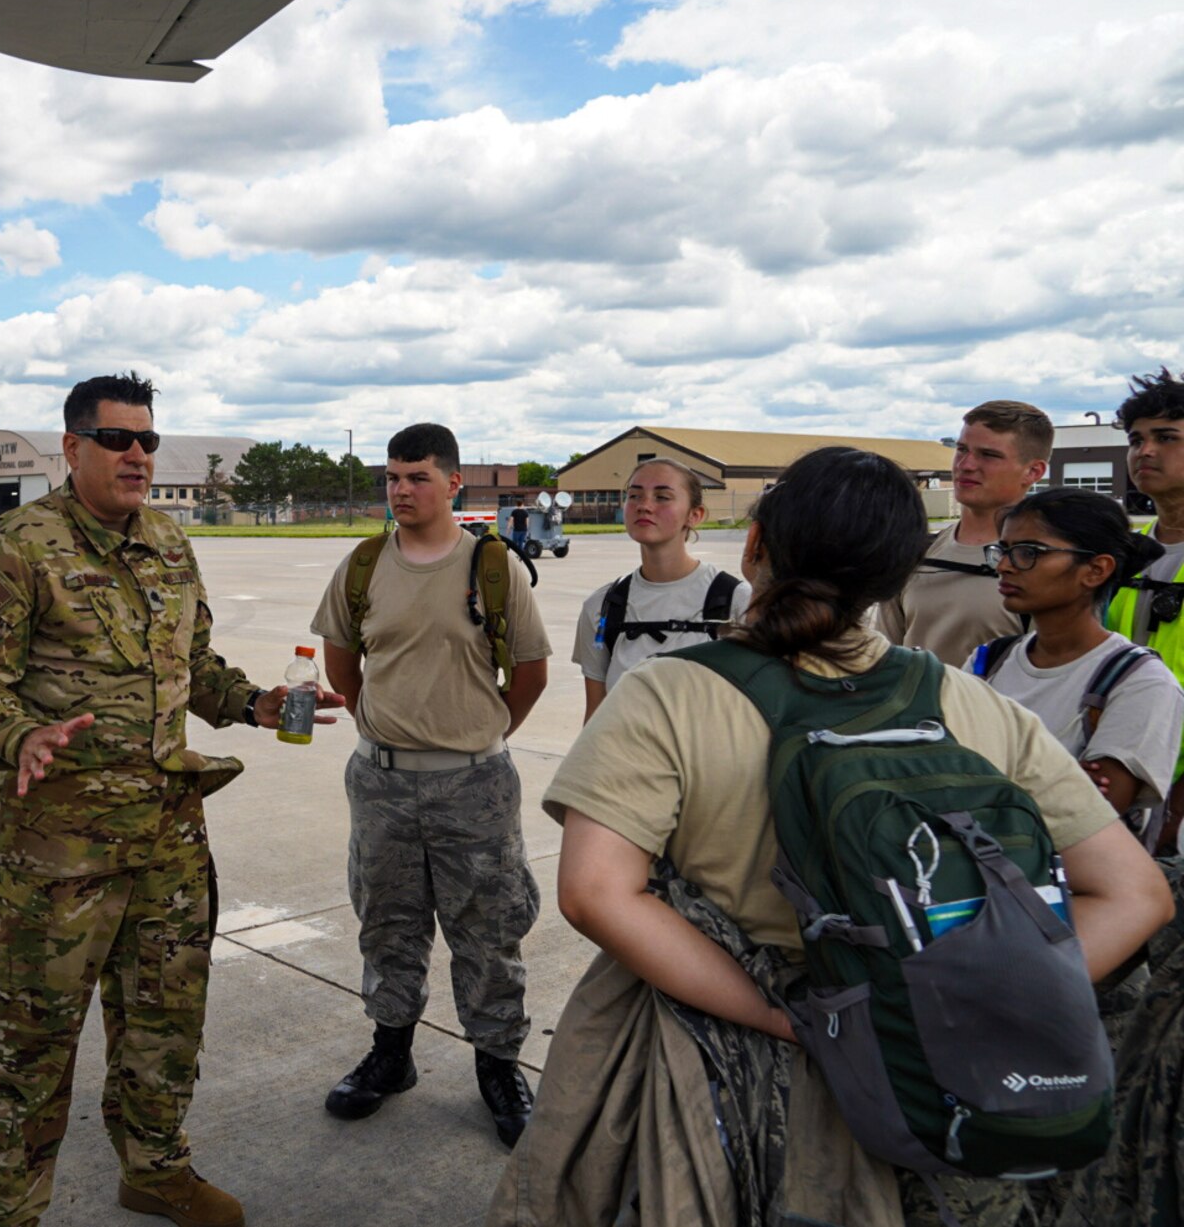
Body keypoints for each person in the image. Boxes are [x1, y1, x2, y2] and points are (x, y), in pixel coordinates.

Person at [488, 446, 1172, 1227]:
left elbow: (594, 893)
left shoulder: (668, 692)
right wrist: (954, 999)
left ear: (756, 549)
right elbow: (1136, 892)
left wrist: (782, 1016)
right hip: (927, 1075)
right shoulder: (969, 701)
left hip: (712, 1068)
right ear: (895, 576)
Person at [0, 371, 340, 1227]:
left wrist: (254, 703)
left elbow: (194, 667)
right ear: (73, 448)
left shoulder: (167, 540)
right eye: (118, 439)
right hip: (58, 853)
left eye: (148, 439)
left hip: (166, 837)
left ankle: (155, 1168)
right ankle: (7, 1210)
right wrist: (19, 737)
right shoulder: (20, 545)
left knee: (166, 1020)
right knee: (30, 1045)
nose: (138, 455)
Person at [308, 423, 551, 1147]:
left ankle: (499, 1064)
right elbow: (343, 668)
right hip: (381, 783)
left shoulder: (493, 566)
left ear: (452, 483)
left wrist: (473, 734)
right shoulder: (362, 564)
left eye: (416, 477)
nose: (401, 490)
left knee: (489, 928)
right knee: (386, 919)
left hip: (473, 783)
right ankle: (391, 1053)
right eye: (391, 477)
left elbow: (532, 675)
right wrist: (390, 730)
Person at [975, 488, 1182, 847]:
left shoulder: (1140, 682)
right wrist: (1059, 777)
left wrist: (977, 775)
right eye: (1003, 550)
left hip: (1073, 893)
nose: (1005, 565)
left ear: (1097, 570)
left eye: (1029, 553)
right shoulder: (989, 660)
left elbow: (1084, 818)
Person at [571, 456, 751, 722]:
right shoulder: (603, 606)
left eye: (662, 497)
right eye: (634, 495)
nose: (644, 506)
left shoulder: (738, 601)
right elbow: (596, 718)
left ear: (695, 515)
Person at [877, 399, 1053, 665]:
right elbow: (883, 659)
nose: (966, 465)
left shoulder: (1050, 565)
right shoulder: (916, 553)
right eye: (961, 450)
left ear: (1033, 471)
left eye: (989, 455)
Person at [1106, 368, 1184, 845]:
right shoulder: (1119, 555)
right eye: (1136, 440)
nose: (1145, 451)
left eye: (1166, 437)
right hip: (1121, 784)